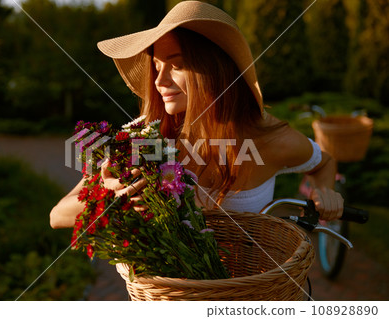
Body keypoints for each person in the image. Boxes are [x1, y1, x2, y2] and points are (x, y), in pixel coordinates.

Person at [50, 1, 343, 229]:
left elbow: (324, 162)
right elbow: (58, 214)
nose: (158, 81)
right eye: (157, 66)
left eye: (176, 66)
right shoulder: (145, 139)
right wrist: (113, 197)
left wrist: (323, 193)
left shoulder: (270, 139)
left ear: (214, 72)